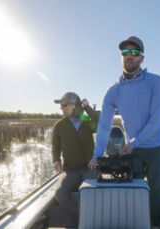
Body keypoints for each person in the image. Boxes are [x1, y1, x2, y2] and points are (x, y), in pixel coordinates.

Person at [87, 36, 160, 227]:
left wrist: (133, 143)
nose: (129, 56)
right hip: (134, 148)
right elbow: (105, 126)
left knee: (156, 189)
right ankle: (138, 222)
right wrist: (96, 155)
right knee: (135, 186)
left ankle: (154, 224)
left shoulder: (156, 82)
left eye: (134, 52)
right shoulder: (113, 91)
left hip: (155, 146)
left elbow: (156, 121)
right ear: (120, 57)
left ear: (142, 58)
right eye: (125, 53)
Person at [51, 92, 99, 226]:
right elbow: (55, 146)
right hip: (70, 170)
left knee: (93, 193)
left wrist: (87, 108)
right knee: (60, 194)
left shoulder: (87, 123)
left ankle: (93, 218)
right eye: (61, 105)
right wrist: (56, 160)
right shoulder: (59, 126)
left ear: (75, 107)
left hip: (89, 168)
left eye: (64, 105)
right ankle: (80, 218)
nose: (61, 108)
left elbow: (99, 123)